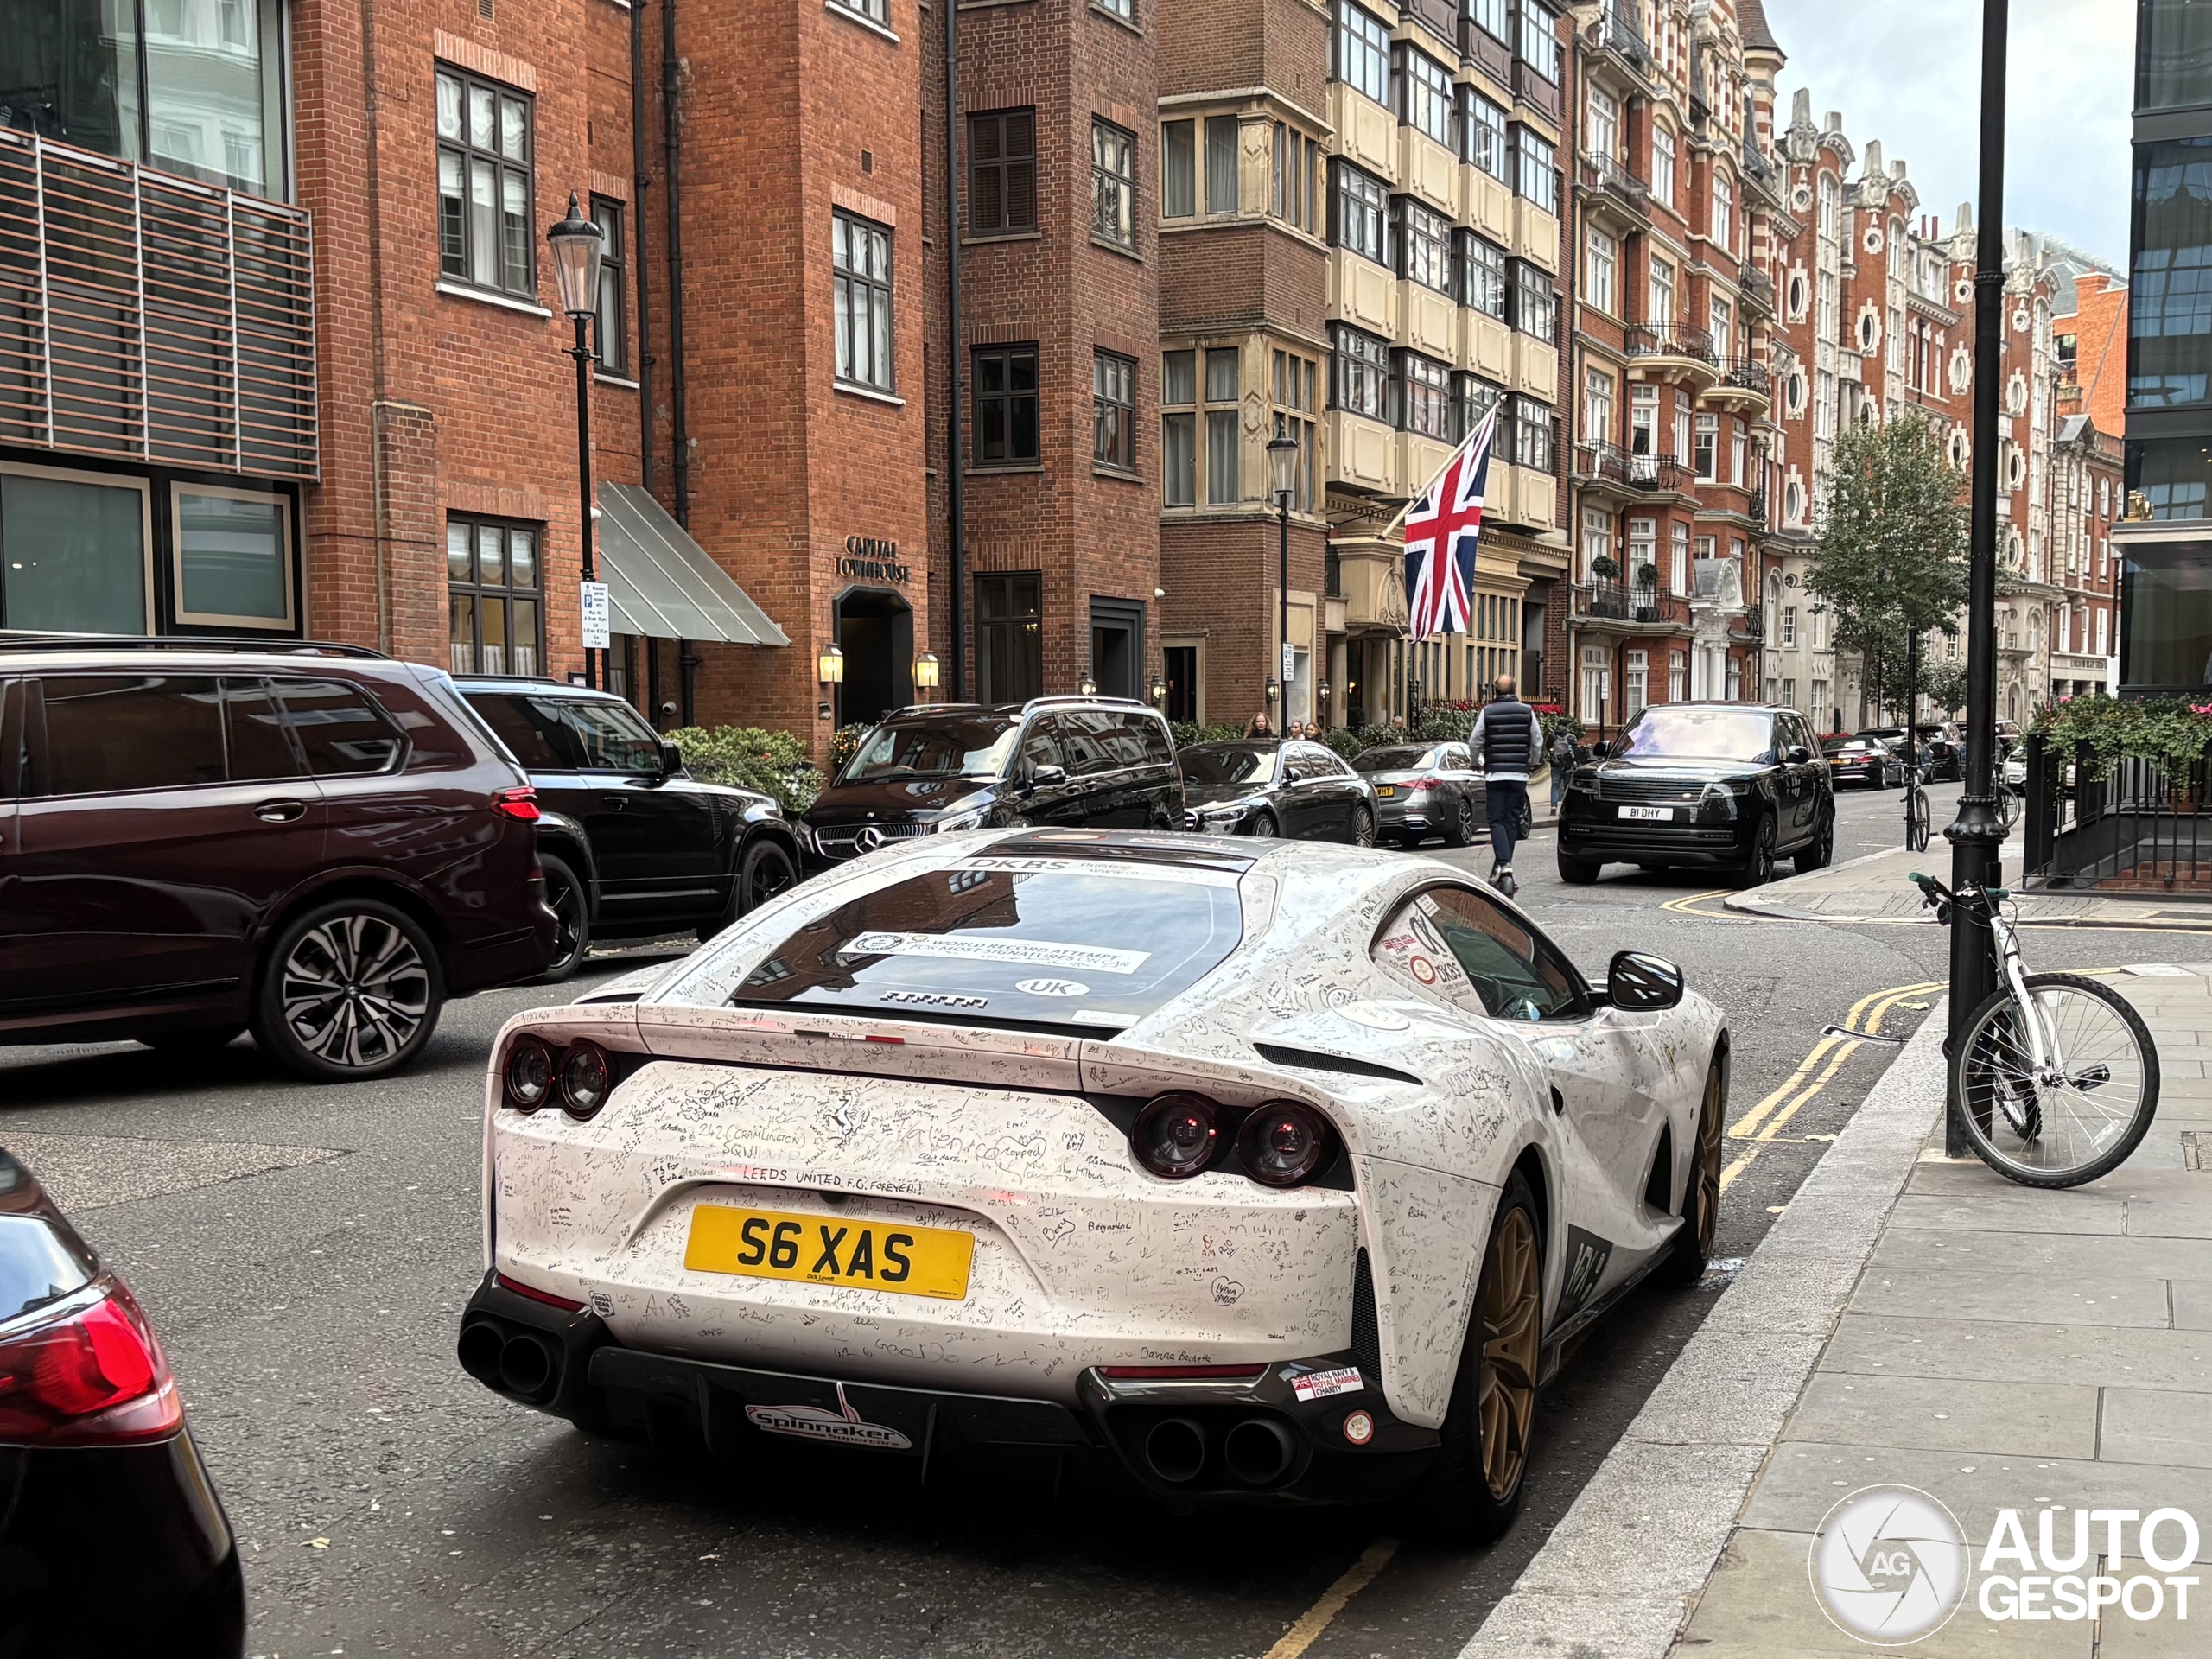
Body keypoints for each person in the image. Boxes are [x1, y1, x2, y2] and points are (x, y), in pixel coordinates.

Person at [1468, 676, 1539, 893]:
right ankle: (1501, 868)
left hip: (1495, 775)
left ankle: (1504, 865)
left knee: (1496, 820)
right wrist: (1532, 761)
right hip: (1519, 775)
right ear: (1515, 690)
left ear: (1495, 691)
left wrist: (1476, 761)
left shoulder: (1487, 712)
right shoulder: (1527, 712)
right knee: (1512, 821)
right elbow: (1537, 741)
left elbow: (1474, 741)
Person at [1548, 724, 1578, 810]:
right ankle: (1566, 806)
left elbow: (1548, 748)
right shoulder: (1571, 737)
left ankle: (1554, 806)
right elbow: (1576, 751)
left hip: (1555, 765)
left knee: (1555, 786)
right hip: (1568, 765)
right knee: (1567, 786)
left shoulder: (1552, 737)